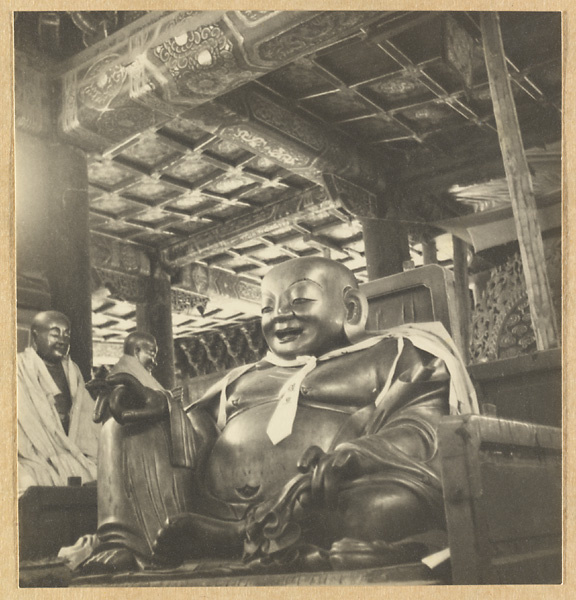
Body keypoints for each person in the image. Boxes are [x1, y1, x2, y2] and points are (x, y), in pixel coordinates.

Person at [82, 257, 478, 574]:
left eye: (300, 301)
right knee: (124, 421)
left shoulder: (393, 353)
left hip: (326, 494)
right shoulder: (246, 376)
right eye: (268, 307)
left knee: (373, 511)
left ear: (351, 307)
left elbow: (420, 423)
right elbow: (199, 431)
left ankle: (236, 538)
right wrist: (159, 410)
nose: (280, 316)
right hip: (212, 504)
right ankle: (124, 542)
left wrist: (358, 455)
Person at [18, 311, 100, 495]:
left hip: (72, 451)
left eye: (67, 334)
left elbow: (86, 418)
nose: (62, 340)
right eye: (55, 334)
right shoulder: (19, 369)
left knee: (99, 475)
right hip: (36, 454)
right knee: (32, 481)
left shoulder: (72, 370)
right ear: (35, 336)